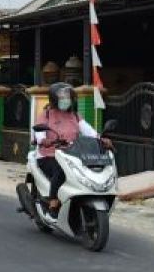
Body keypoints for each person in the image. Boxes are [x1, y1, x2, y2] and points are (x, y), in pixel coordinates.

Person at [33, 82, 110, 212]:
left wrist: (101, 139)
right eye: (62, 97)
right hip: (49, 155)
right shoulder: (46, 115)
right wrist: (44, 140)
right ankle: (53, 199)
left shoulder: (74, 115)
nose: (66, 100)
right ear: (54, 99)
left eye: (68, 97)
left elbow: (88, 131)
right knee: (61, 169)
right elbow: (39, 134)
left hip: (71, 154)